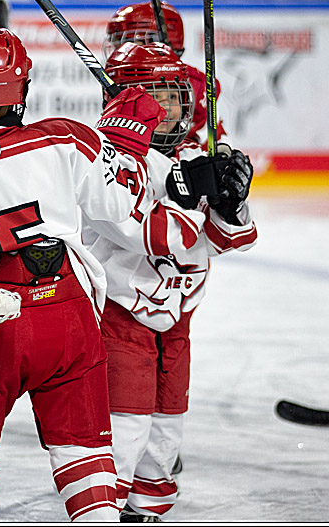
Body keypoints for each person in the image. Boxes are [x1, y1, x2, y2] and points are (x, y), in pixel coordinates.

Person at [0, 28, 172, 521]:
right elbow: (120, 202)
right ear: (22, 89)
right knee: (86, 459)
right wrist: (124, 142)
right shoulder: (63, 137)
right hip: (72, 319)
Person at [84, 42, 257, 521]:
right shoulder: (106, 159)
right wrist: (186, 196)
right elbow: (156, 235)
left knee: (166, 434)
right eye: (154, 94)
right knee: (126, 431)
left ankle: (143, 511)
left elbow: (235, 240)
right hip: (120, 316)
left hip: (177, 317)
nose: (170, 108)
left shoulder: (192, 154)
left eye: (176, 94)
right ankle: (103, 512)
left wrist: (230, 202)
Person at [103, 0, 227, 147]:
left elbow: (213, 140)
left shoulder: (194, 83)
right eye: (117, 43)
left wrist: (222, 154)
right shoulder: (123, 80)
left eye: (127, 42)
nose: (120, 50)